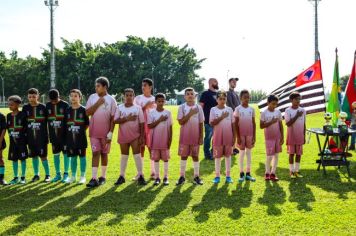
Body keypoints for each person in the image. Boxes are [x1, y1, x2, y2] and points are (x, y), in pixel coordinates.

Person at [86, 77, 117, 188]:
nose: (96, 88)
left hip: (106, 134)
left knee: (104, 154)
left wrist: (111, 133)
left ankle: (102, 177)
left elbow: (113, 118)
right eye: (96, 86)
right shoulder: (92, 97)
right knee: (95, 153)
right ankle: (94, 178)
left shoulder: (112, 100)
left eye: (98, 86)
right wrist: (98, 103)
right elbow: (87, 113)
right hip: (93, 132)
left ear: (105, 87)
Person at [114, 88, 147, 186]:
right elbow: (115, 120)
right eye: (127, 95)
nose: (128, 97)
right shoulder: (120, 107)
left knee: (137, 155)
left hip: (135, 136)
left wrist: (141, 136)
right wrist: (127, 118)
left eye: (130, 95)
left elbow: (142, 123)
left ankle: (141, 175)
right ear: (124, 96)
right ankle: (122, 176)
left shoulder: (138, 108)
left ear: (134, 96)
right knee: (124, 156)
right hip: (123, 135)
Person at [176, 87, 204, 185]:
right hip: (184, 137)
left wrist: (201, 137)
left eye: (192, 94)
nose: (190, 95)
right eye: (188, 94)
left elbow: (201, 123)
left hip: (195, 137)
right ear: (184, 97)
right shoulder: (182, 107)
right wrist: (190, 114)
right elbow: (180, 122)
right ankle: (182, 176)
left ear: (195, 96)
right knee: (183, 156)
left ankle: (196, 176)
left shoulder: (199, 107)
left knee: (195, 156)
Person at [23, 88, 51, 182]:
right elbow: (23, 122)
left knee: (43, 156)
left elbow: (49, 121)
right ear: (27, 97)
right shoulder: (25, 108)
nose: (31, 98)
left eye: (34, 96)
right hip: (30, 137)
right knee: (34, 155)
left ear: (38, 96)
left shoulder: (43, 107)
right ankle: (36, 175)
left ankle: (47, 175)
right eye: (30, 96)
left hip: (42, 137)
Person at [209, 90, 235, 184]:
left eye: (224, 99)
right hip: (217, 137)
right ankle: (217, 176)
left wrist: (234, 137)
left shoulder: (230, 110)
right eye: (220, 99)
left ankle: (228, 176)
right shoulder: (213, 109)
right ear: (217, 99)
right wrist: (222, 117)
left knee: (228, 156)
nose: (222, 100)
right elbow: (212, 123)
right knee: (218, 157)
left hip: (228, 137)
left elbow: (233, 125)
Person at [147, 93, 172, 186]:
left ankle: (165, 177)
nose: (161, 103)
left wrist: (170, 139)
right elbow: (149, 126)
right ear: (155, 102)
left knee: (165, 159)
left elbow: (170, 127)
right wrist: (159, 120)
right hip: (155, 140)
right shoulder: (151, 113)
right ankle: (157, 177)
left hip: (165, 140)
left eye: (162, 101)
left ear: (165, 101)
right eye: (159, 101)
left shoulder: (168, 113)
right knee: (156, 159)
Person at [65, 89, 89, 184]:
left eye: (76, 96)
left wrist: (80, 131)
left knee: (82, 157)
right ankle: (73, 176)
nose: (73, 98)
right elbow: (65, 125)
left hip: (81, 139)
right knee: (73, 157)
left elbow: (87, 124)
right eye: (72, 96)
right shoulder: (67, 110)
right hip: (70, 139)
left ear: (80, 98)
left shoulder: (84, 110)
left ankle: (82, 176)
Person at [46, 89, 70, 183]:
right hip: (53, 136)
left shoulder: (65, 105)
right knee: (55, 154)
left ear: (59, 96)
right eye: (52, 101)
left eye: (55, 100)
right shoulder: (47, 106)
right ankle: (57, 174)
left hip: (64, 136)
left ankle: (66, 174)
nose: (54, 102)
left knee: (65, 154)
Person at [134, 78, 156, 179]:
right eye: (142, 85)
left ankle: (153, 172)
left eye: (145, 85)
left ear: (150, 87)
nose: (143, 87)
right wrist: (145, 106)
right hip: (140, 127)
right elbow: (135, 113)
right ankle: (140, 172)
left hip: (151, 128)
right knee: (140, 148)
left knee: (151, 148)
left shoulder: (155, 99)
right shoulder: (138, 98)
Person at [260, 94, 284, 181]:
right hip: (269, 138)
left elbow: (281, 125)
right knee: (269, 156)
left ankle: (273, 173)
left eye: (276, 104)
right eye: (273, 104)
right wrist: (271, 121)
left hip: (277, 138)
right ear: (268, 103)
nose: (274, 106)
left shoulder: (278, 112)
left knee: (276, 156)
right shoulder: (264, 113)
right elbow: (261, 126)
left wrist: (282, 137)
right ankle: (267, 173)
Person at [235, 89, 256, 183]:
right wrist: (238, 137)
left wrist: (254, 136)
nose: (246, 99)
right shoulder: (238, 109)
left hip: (250, 134)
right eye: (244, 97)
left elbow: (254, 123)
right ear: (241, 98)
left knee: (249, 153)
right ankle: (241, 173)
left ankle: (248, 173)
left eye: (248, 97)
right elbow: (235, 124)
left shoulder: (252, 109)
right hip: (241, 135)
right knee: (242, 153)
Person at [7, 96, 28, 185]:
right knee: (14, 159)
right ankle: (15, 177)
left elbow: (26, 128)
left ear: (17, 104)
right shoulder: (8, 116)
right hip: (12, 143)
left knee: (22, 159)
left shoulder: (23, 115)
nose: (10, 106)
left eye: (11, 104)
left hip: (22, 142)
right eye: (9, 104)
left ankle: (23, 177)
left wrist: (24, 139)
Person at [285, 91, 306, 178]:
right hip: (291, 136)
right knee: (291, 154)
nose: (298, 101)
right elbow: (288, 124)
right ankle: (291, 171)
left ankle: (297, 171)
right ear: (291, 100)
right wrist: (297, 115)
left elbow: (304, 123)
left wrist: (304, 135)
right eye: (296, 99)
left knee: (298, 154)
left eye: (299, 99)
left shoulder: (303, 110)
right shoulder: (287, 110)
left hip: (300, 136)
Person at [199, 78, 219, 160]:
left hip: (218, 120)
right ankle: (207, 154)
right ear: (210, 83)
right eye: (215, 81)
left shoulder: (218, 94)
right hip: (208, 120)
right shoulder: (205, 93)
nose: (217, 83)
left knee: (216, 137)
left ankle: (213, 152)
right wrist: (201, 118)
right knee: (208, 137)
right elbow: (201, 106)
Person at [227, 77, 240, 155]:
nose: (235, 83)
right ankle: (230, 149)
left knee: (235, 133)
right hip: (232, 116)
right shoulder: (228, 93)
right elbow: (230, 105)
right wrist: (237, 113)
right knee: (232, 133)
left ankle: (234, 148)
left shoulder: (235, 93)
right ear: (229, 83)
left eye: (235, 82)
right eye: (233, 82)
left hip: (237, 116)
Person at [0, 109, 6, 185]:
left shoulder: (1, 116)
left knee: (0, 158)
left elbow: (4, 129)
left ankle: (1, 178)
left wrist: (0, 141)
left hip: (0, 140)